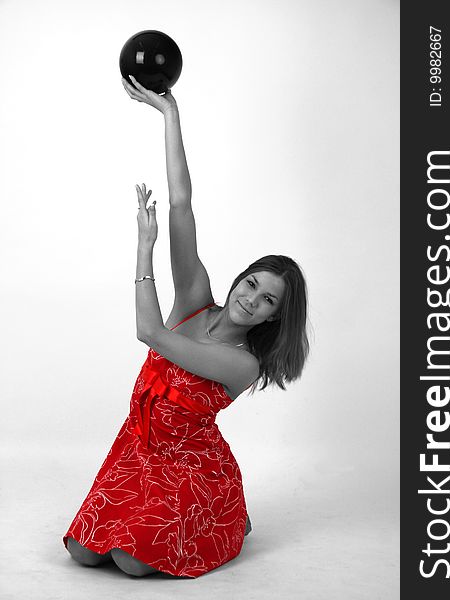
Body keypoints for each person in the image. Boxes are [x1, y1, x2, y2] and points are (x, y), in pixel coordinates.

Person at [62, 75, 310, 578]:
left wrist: (143, 247)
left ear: (273, 316)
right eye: (252, 284)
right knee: (83, 554)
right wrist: (170, 115)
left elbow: (151, 333)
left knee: (132, 563)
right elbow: (181, 205)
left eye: (267, 301)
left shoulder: (242, 363)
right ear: (239, 277)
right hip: (134, 450)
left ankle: (226, 518)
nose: (251, 300)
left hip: (190, 471)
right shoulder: (196, 299)